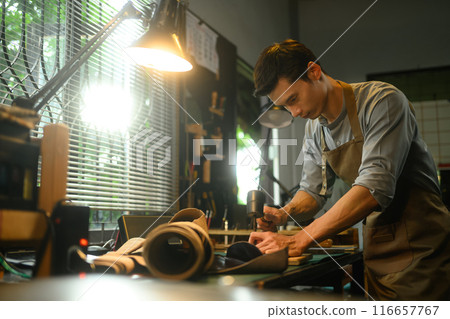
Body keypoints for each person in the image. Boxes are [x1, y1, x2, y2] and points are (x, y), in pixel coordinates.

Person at [249, 39, 450, 300]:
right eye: (285, 106)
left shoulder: (382, 101)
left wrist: (300, 239)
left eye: (294, 99)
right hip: (378, 250)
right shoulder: (315, 128)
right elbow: (313, 191)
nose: (295, 112)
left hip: (425, 250)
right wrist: (284, 214)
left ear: (314, 71)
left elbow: (374, 188)